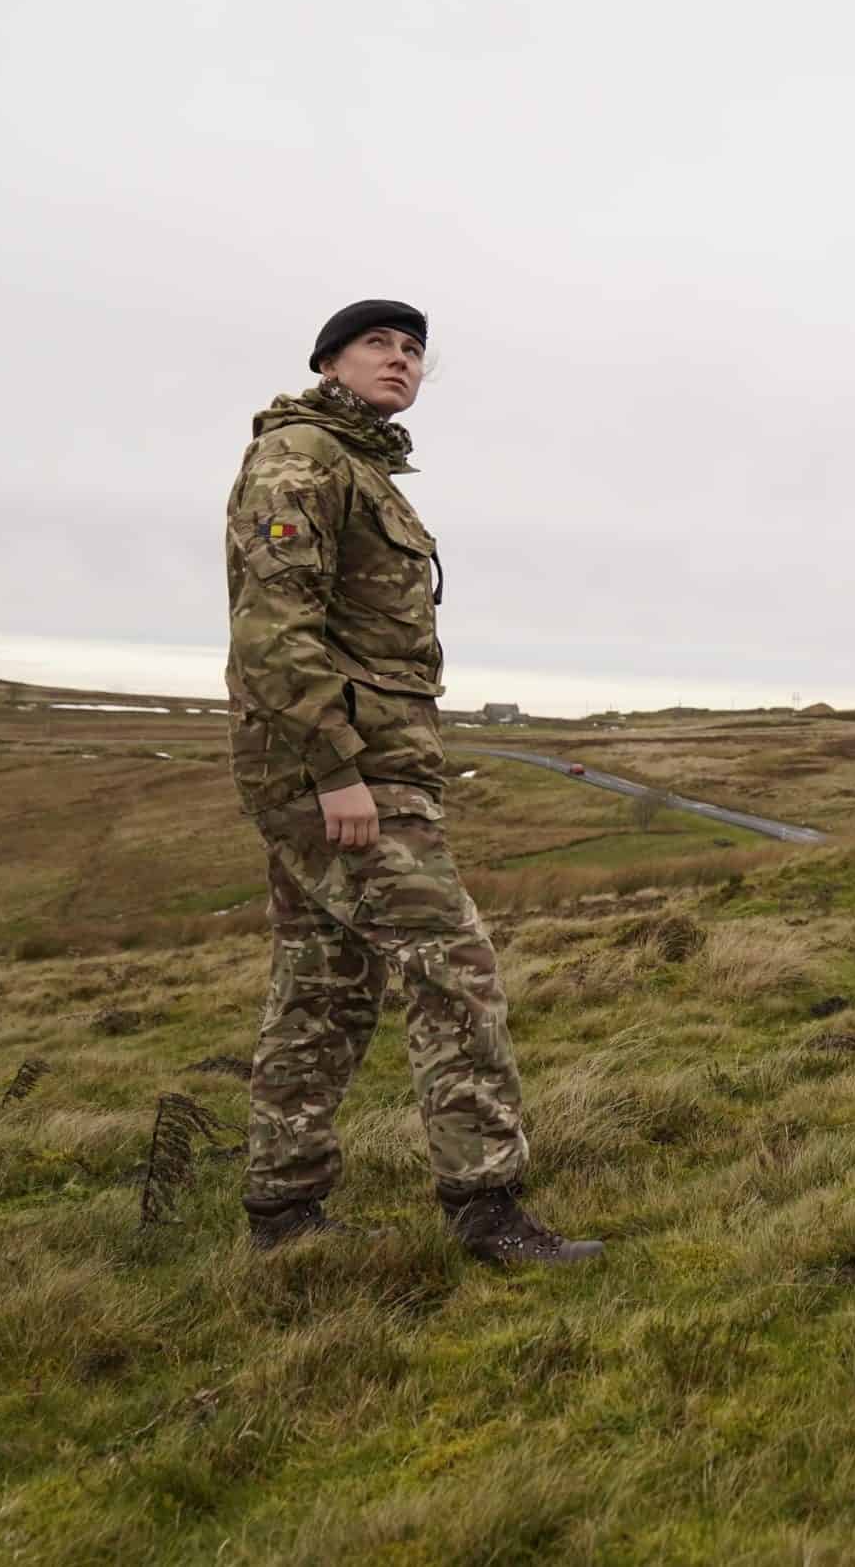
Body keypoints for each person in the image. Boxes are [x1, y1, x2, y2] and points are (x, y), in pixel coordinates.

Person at [223, 299, 600, 1264]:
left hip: (366, 769)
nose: (401, 360)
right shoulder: (301, 458)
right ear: (329, 362)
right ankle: (487, 1207)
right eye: (379, 345)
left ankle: (283, 1211)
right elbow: (273, 628)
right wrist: (335, 770)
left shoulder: (361, 470)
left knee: (325, 984)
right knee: (452, 960)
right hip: (340, 777)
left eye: (415, 351)